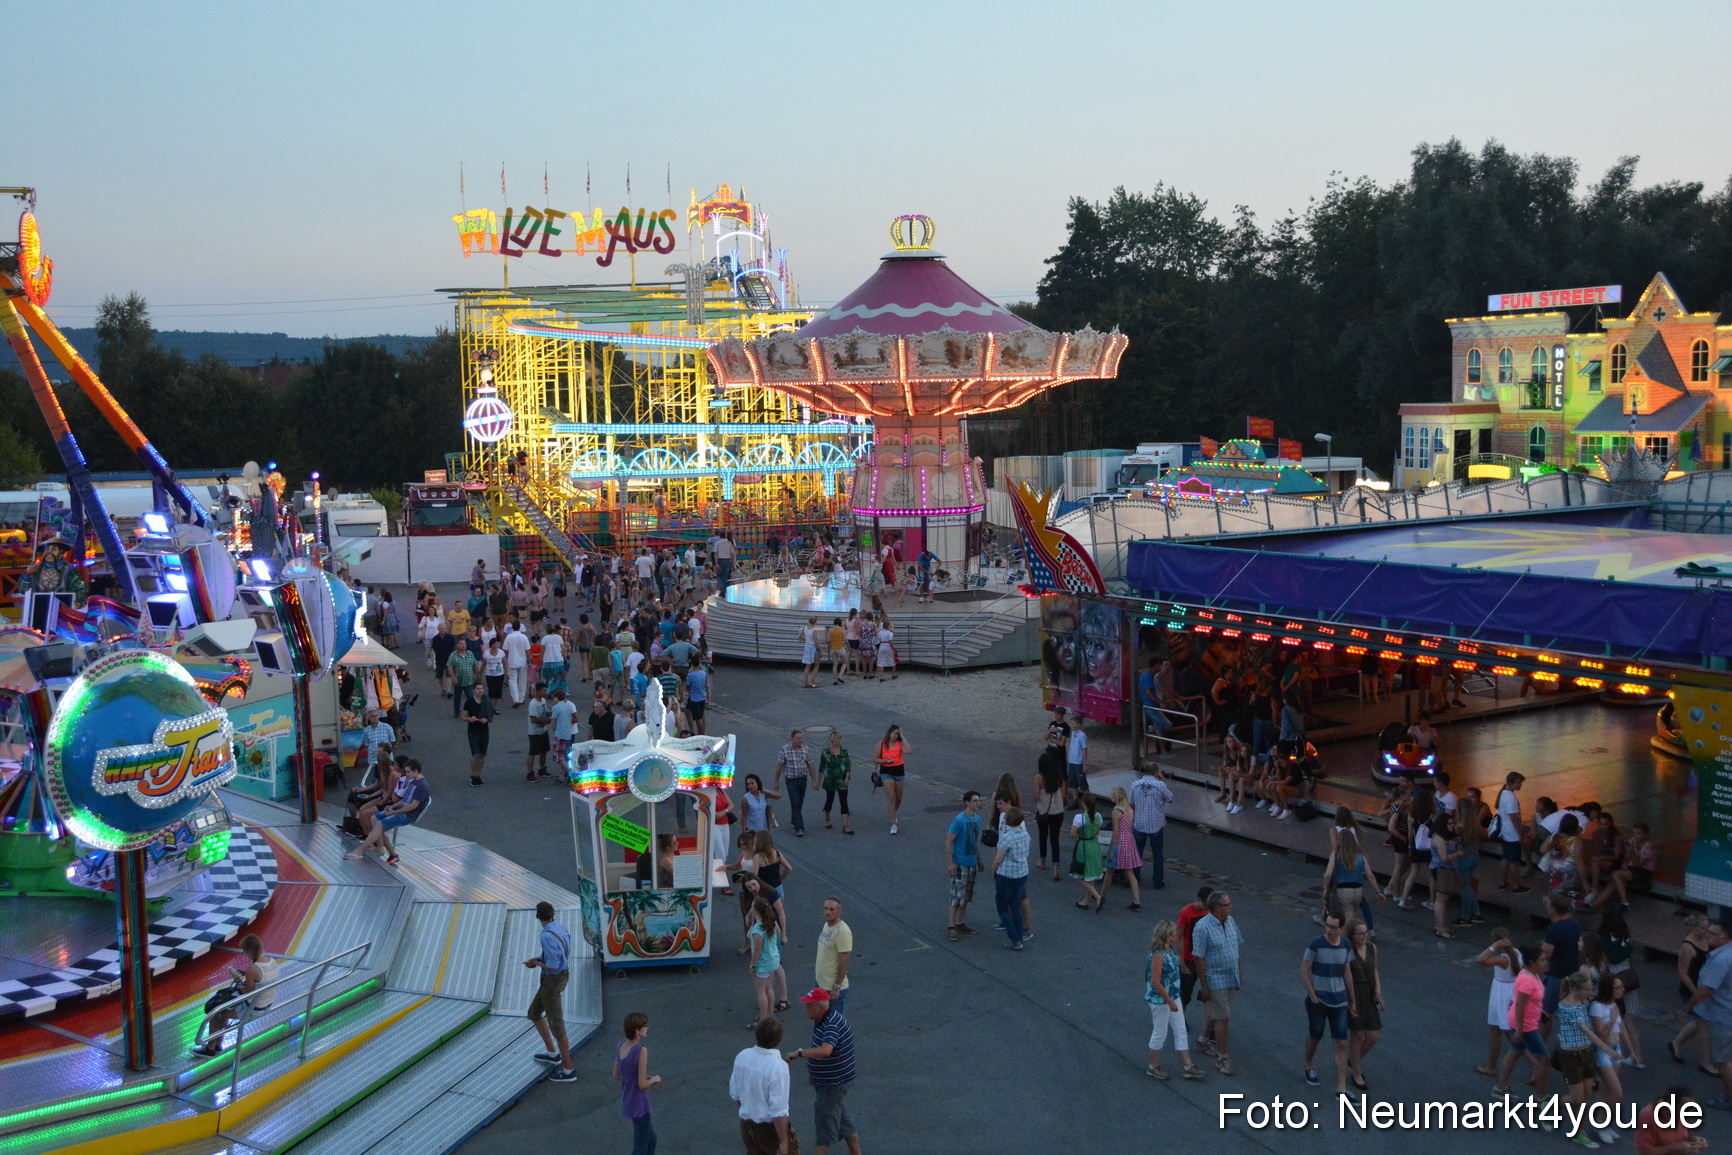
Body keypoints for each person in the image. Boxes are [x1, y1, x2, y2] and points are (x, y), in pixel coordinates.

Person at [786, 988, 860, 1155]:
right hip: (832, 1083)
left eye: (809, 1006)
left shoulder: (831, 1024)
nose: (806, 1009)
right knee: (845, 1124)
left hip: (832, 1085)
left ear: (821, 1006)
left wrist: (799, 1053)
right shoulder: (825, 1018)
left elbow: (825, 1050)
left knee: (823, 1135)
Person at [196, 933, 280, 1055]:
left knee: (216, 1012)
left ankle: (210, 1048)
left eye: (244, 952)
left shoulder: (253, 969)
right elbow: (261, 978)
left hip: (253, 1009)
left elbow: (247, 992)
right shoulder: (272, 962)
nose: (244, 955)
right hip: (267, 1004)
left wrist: (237, 979)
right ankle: (217, 1045)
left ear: (250, 951)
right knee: (225, 1009)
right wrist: (246, 974)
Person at [1301, 910, 1354, 1095]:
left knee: (1341, 1042)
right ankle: (1308, 1065)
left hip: (1339, 1000)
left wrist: (1352, 1000)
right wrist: (1313, 996)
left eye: (1333, 926)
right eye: (1327, 925)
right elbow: (1304, 971)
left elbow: (1346, 972)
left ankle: (1341, 1087)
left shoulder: (1346, 945)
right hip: (1319, 1000)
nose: (1328, 929)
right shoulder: (1315, 944)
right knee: (1315, 1035)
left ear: (1341, 929)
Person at [1145, 919, 1206, 1081]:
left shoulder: (1170, 950)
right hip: (1161, 999)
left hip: (1173, 995)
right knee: (1160, 1031)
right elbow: (1156, 982)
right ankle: (1153, 1065)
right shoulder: (1158, 955)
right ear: (1167, 936)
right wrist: (1170, 1002)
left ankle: (1188, 1066)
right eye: (1173, 933)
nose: (1176, 935)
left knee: (1180, 1029)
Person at [524, 901, 577, 1083]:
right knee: (534, 1013)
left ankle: (569, 1070)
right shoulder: (559, 928)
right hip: (561, 976)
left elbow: (553, 966)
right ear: (553, 913)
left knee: (557, 1025)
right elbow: (561, 954)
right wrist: (539, 959)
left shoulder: (545, 936)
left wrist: (537, 964)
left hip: (552, 982)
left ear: (537, 916)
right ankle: (552, 1053)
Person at [1683, 921, 1732, 1109]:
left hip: (1725, 1017)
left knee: (1723, 1060)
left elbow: (1706, 990)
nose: (1707, 935)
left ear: (1725, 938)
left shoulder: (1721, 959)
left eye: (1713, 934)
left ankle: (1729, 1098)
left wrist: (1687, 1007)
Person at [1193, 891, 1243, 1075]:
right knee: (1223, 1018)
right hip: (1215, 979)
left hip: (1231, 976)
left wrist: (1239, 972)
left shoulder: (1230, 921)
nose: (1231, 907)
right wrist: (1204, 987)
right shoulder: (1202, 927)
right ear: (1217, 908)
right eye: (1227, 904)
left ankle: (1203, 1039)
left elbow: (1236, 947)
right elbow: (1199, 958)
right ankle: (1222, 1059)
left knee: (1217, 1012)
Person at [1494, 945, 1552, 1101]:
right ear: (1532, 963)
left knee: (1514, 1053)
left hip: (1525, 1022)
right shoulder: (1527, 979)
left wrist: (1540, 1012)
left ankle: (1500, 1088)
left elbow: (1528, 1002)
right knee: (1544, 1058)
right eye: (1541, 960)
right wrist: (1519, 1029)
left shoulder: (1532, 974)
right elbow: (1520, 1005)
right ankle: (1542, 1097)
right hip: (1526, 1026)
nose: (1545, 962)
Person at [345, 759, 428, 864]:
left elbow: (412, 806)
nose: (406, 774)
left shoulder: (422, 786)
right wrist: (392, 807)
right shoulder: (414, 782)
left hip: (408, 815)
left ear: (416, 771)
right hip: (400, 809)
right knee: (374, 818)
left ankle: (359, 850)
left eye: (408, 772)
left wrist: (393, 812)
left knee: (380, 824)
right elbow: (404, 799)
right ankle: (387, 852)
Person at [730, 1017, 792, 1155]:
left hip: (747, 1125)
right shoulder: (778, 1067)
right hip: (769, 1131)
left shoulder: (742, 1056)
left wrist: (750, 1108)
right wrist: (784, 1141)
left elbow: (736, 1094)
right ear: (779, 1039)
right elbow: (778, 1111)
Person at [1590, 972, 1633, 1143]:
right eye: (1618, 987)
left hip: (1616, 1049)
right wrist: (1613, 1017)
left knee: (1606, 1091)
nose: (1622, 989)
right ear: (1609, 989)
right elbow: (1600, 1034)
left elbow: (1622, 1030)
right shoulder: (1597, 1007)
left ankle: (1602, 1123)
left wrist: (1632, 1052)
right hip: (1603, 1051)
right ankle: (1601, 1123)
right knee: (1617, 1093)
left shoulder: (1616, 1004)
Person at [1475, 929, 1522, 1077]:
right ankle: (1491, 1065)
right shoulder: (1516, 954)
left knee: (1504, 1033)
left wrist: (1493, 946)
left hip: (1501, 995)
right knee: (1504, 1031)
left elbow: (1480, 959)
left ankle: (1492, 1066)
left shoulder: (1503, 960)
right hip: (1510, 992)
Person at [614, 1011, 661, 1154]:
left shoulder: (621, 1044)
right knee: (640, 1147)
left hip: (628, 1099)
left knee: (651, 1139)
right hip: (640, 1104)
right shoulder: (641, 1050)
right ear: (637, 1030)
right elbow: (642, 1084)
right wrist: (654, 1079)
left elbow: (616, 1075)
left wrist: (640, 1076)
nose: (647, 1028)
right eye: (645, 1026)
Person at [1344, 919, 1381, 1092]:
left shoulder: (1372, 948)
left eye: (1366, 932)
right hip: (1355, 993)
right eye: (1360, 933)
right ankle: (1356, 1072)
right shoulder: (1348, 951)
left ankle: (1354, 1059)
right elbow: (1347, 976)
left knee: (1373, 1036)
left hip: (1369, 994)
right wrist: (1351, 1001)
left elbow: (1374, 969)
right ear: (1352, 935)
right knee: (1357, 1035)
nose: (1364, 936)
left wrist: (1378, 989)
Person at [1128, 764, 1174, 890]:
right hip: (1156, 824)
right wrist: (1163, 782)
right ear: (1156, 772)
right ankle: (1157, 882)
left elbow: (1131, 803)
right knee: (1157, 853)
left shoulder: (1135, 785)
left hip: (1139, 823)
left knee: (1137, 852)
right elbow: (1170, 798)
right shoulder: (1160, 785)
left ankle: (1135, 878)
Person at [992, 806, 1031, 949]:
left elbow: (998, 859)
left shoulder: (1007, 838)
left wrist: (993, 871)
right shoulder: (1025, 835)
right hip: (1021, 873)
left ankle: (1015, 939)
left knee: (1002, 908)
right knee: (1015, 907)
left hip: (1007, 875)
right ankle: (1020, 935)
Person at [946, 791, 982, 941]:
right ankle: (951, 926)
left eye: (979, 801)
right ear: (967, 803)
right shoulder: (959, 820)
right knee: (956, 896)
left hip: (971, 862)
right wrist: (950, 863)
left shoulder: (977, 819)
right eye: (975, 801)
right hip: (960, 863)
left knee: (966, 896)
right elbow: (949, 841)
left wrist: (979, 860)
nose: (978, 803)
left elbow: (973, 842)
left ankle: (960, 923)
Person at [1543, 892, 1584, 1024]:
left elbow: (1547, 954)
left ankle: (1540, 1043)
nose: (1546, 908)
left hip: (1557, 975)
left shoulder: (1553, 929)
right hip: (1573, 972)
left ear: (1554, 910)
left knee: (1546, 1013)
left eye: (1548, 905)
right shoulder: (1576, 925)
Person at [1101, 785, 1143, 912]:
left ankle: (1101, 896)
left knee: (1109, 870)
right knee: (1130, 872)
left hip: (1120, 842)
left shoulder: (1116, 812)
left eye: (1112, 794)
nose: (1111, 796)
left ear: (1117, 797)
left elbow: (1115, 832)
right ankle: (1137, 901)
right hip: (1129, 840)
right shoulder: (1129, 809)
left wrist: (1112, 849)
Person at [1634, 1087, 1709, 1155]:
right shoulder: (1648, 1116)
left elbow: (1687, 1132)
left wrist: (1693, 1140)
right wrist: (1675, 1148)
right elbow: (1642, 1152)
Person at [748, 899, 785, 1026]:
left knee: (761, 991)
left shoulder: (757, 930)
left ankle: (763, 1020)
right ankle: (770, 1016)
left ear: (756, 910)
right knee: (769, 988)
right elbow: (779, 933)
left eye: (752, 907)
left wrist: (752, 965)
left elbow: (757, 950)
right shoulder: (771, 923)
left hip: (763, 964)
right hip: (773, 960)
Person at [1493, 772, 1531, 894]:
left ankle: (1501, 882)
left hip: (1504, 833)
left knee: (1505, 858)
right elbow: (1514, 817)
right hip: (1512, 834)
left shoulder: (1504, 794)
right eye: (1518, 783)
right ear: (1512, 783)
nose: (1520, 785)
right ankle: (1516, 886)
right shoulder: (1510, 798)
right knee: (1514, 861)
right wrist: (1521, 832)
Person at [814, 898, 853, 1014]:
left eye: (832, 909)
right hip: (820, 983)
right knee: (821, 1021)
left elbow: (844, 961)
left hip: (832, 988)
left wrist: (837, 987)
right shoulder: (827, 925)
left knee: (834, 1024)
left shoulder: (843, 932)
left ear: (839, 912)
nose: (827, 912)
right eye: (826, 908)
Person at [1071, 794, 1106, 913]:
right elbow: (1097, 831)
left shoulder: (1079, 818)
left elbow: (1072, 833)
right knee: (1091, 874)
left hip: (1084, 846)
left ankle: (1097, 896)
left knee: (1079, 875)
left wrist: (1080, 833)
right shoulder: (1098, 816)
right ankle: (1086, 901)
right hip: (1094, 845)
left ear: (1083, 804)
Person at [776, 731, 815, 838]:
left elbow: (811, 766)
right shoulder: (784, 750)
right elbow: (779, 766)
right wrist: (776, 781)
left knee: (800, 801)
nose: (800, 740)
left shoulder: (806, 749)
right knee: (795, 801)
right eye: (798, 738)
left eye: (801, 738)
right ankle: (800, 828)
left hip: (803, 779)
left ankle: (794, 820)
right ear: (792, 739)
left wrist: (814, 780)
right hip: (791, 780)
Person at [1033, 756, 1066, 880]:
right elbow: (1062, 794)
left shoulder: (1039, 778)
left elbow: (1036, 796)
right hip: (1057, 811)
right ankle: (1056, 868)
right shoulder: (1058, 775)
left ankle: (1042, 861)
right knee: (1055, 839)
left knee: (1043, 836)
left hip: (1044, 811)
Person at [873, 724, 909, 835]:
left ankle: (892, 812)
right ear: (890, 733)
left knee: (898, 798)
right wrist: (885, 761)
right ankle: (894, 823)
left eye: (898, 734)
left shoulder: (900, 742)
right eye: (895, 733)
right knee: (891, 797)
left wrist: (902, 736)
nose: (896, 736)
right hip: (886, 772)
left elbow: (908, 751)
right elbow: (875, 759)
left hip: (899, 772)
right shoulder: (882, 743)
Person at [818, 731, 852, 834]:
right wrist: (818, 782)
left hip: (841, 779)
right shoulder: (825, 752)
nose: (839, 741)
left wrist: (847, 777)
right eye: (837, 739)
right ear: (832, 740)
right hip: (830, 780)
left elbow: (848, 765)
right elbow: (822, 767)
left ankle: (846, 825)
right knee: (830, 800)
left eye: (840, 739)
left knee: (844, 801)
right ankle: (827, 819)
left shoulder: (844, 750)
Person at [462, 681, 494, 787]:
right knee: (475, 754)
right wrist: (470, 719)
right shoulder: (470, 702)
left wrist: (487, 720)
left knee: (482, 755)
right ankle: (473, 775)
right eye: (478, 688)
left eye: (481, 688)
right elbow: (463, 717)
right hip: (473, 731)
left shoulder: (487, 701)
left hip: (484, 730)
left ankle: (478, 775)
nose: (480, 690)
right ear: (474, 690)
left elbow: (491, 716)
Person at [525, 681, 551, 781]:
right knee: (533, 752)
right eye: (544, 690)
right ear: (538, 691)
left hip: (543, 731)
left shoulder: (543, 701)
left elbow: (547, 712)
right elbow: (534, 719)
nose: (545, 692)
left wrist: (555, 713)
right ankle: (530, 772)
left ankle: (542, 769)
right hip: (534, 732)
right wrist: (546, 721)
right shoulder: (533, 704)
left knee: (544, 751)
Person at [448, 638, 478, 717]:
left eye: (464, 644)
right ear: (457, 645)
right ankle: (456, 711)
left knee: (470, 697)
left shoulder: (470, 654)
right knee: (457, 697)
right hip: (458, 680)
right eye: (461, 644)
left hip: (468, 680)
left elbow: (475, 665)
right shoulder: (453, 655)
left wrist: (478, 676)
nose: (463, 645)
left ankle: (471, 711)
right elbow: (449, 667)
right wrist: (453, 678)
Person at [503, 620, 531, 706]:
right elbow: (528, 651)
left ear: (512, 627)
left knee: (512, 680)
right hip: (522, 661)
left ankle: (515, 699)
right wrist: (529, 661)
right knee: (522, 680)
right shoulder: (524, 637)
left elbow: (505, 650)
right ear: (519, 627)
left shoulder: (509, 637)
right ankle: (521, 698)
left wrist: (505, 661)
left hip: (512, 660)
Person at [1065, 716, 1089, 806]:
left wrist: (1085, 763)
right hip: (1072, 761)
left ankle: (1090, 800)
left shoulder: (1081, 735)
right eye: (1071, 723)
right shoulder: (1074, 734)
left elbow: (1084, 749)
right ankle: (1075, 800)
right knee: (1073, 782)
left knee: (1082, 783)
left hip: (1078, 762)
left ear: (1078, 724)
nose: (1072, 725)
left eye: (1073, 723)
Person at [686, 661, 711, 736]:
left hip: (694, 698)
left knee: (698, 717)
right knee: (689, 711)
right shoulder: (703, 672)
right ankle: (696, 731)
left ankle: (701, 734)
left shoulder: (691, 675)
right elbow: (706, 684)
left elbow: (687, 686)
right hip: (702, 696)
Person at [800, 616, 821, 689]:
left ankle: (804, 682)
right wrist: (820, 650)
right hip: (813, 649)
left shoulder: (805, 627)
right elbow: (816, 642)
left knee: (807, 666)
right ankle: (812, 681)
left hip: (807, 647)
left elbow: (800, 636)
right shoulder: (814, 630)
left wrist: (806, 640)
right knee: (816, 665)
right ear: (815, 622)